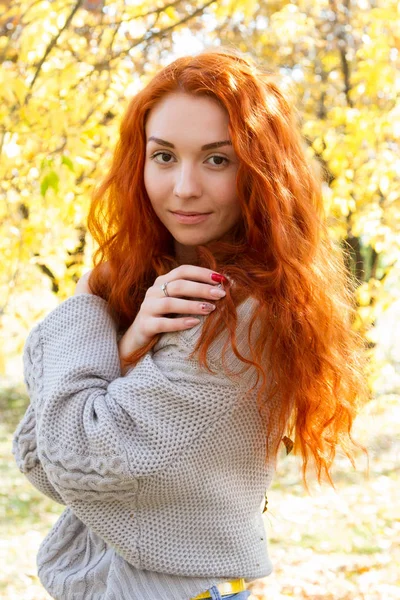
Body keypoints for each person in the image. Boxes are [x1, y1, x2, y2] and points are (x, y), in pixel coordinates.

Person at [12, 47, 368, 600]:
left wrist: (87, 299)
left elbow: (76, 461)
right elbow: (43, 460)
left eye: (217, 159)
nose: (184, 187)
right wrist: (130, 342)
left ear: (260, 174)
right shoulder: (157, 287)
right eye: (164, 157)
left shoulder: (241, 313)